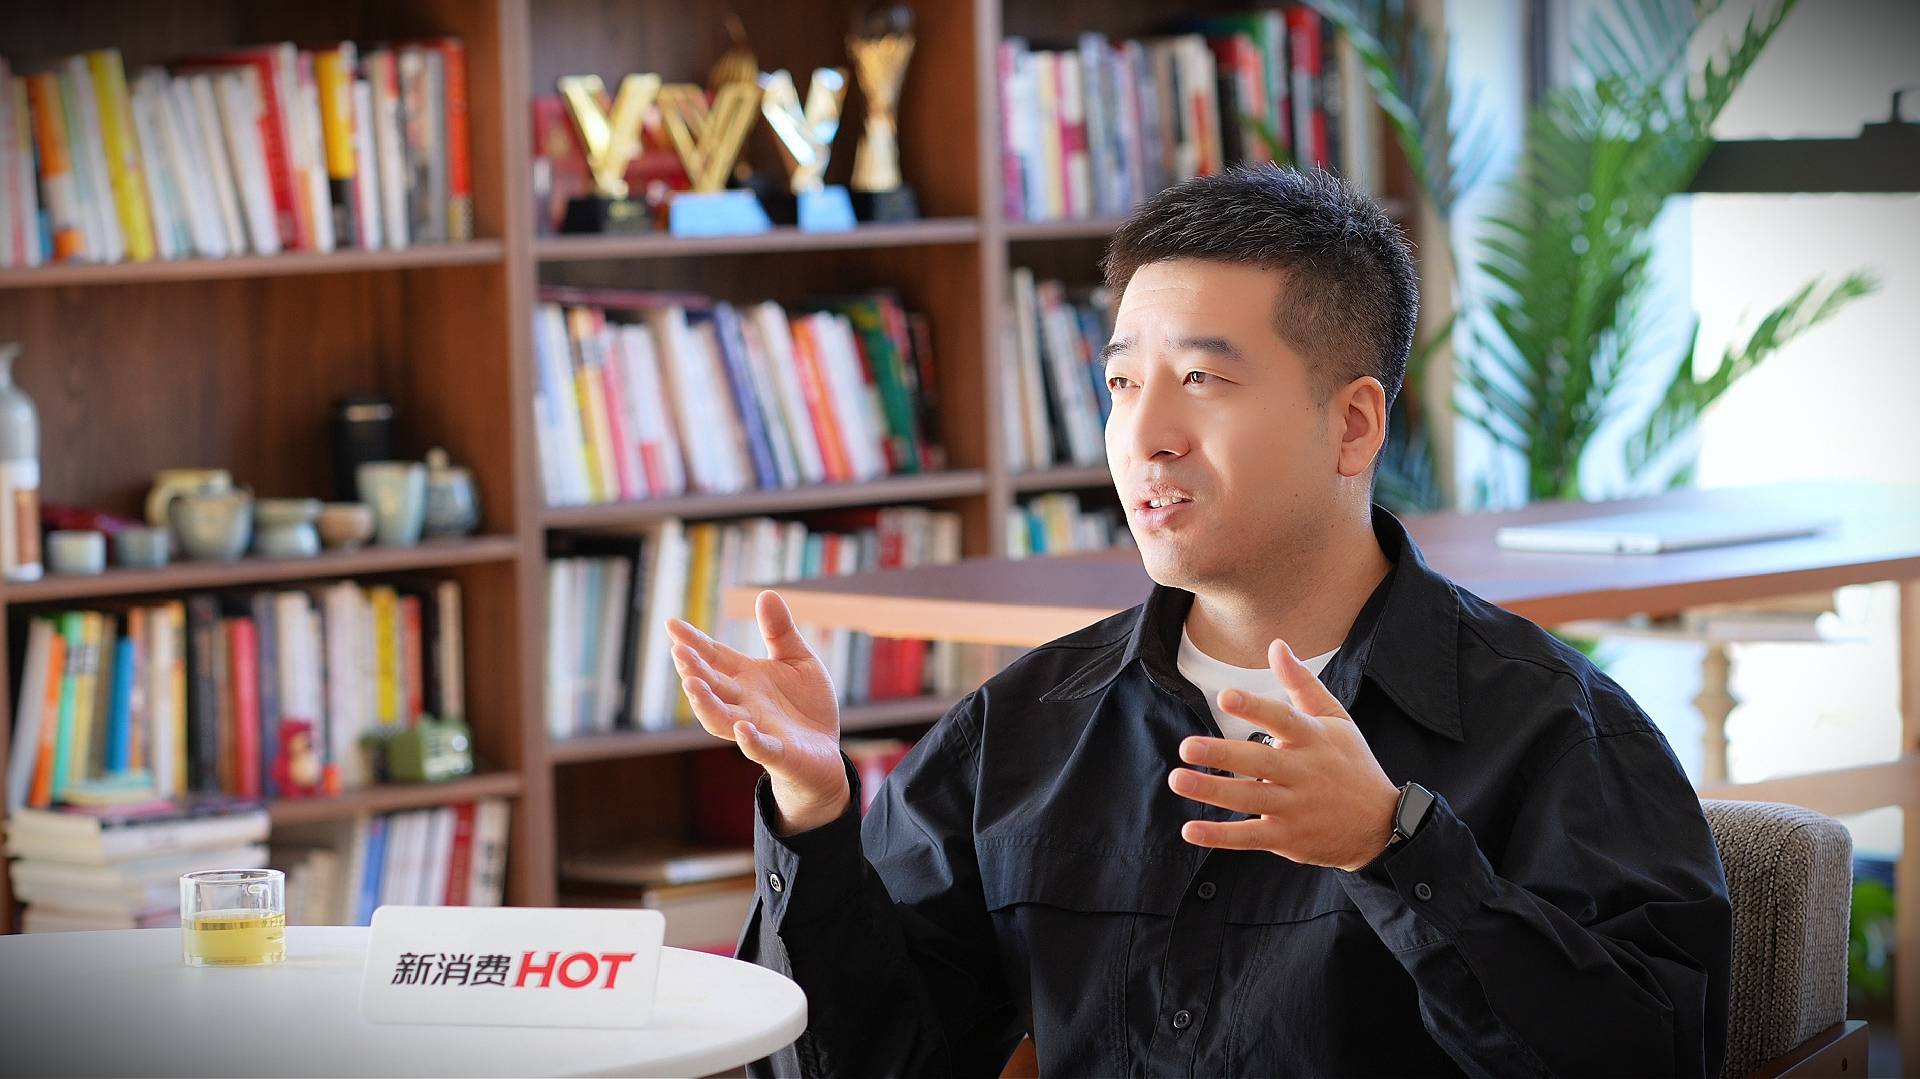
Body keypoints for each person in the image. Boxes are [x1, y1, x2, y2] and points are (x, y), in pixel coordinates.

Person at [667, 166, 1731, 1077]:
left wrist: (1394, 848)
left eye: (1201, 378)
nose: (1146, 435)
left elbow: (1649, 1055)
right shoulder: (1026, 724)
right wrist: (812, 808)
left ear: (1354, 424)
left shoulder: (1557, 726)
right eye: (1122, 381)